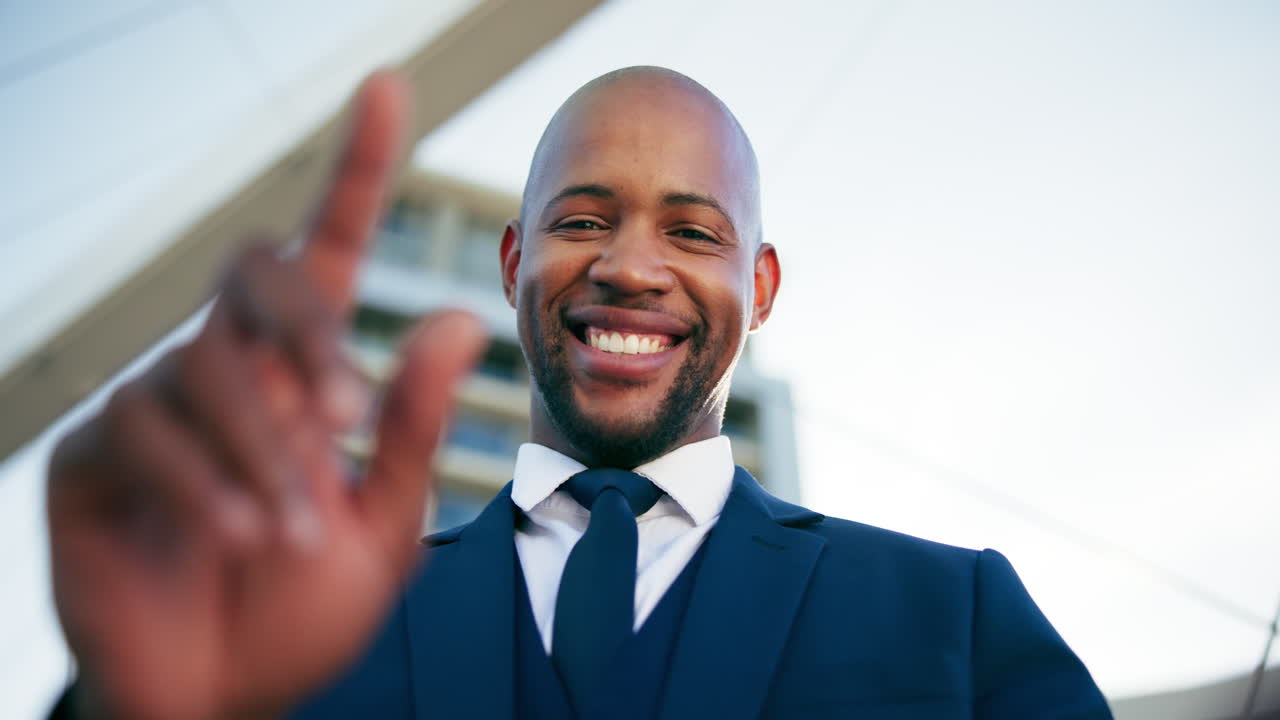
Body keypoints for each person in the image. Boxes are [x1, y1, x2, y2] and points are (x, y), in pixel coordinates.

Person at [46, 67, 1111, 720]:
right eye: (582, 219)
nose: (629, 268)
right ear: (512, 264)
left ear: (762, 286)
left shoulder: (954, 617)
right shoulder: (296, 633)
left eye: (692, 233)